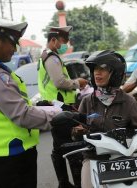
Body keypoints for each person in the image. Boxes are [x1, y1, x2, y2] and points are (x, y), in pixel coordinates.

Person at [0, 15, 62, 188]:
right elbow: (22, 115)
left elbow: (10, 106)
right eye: (12, 43)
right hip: (11, 157)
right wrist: (59, 118)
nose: (14, 49)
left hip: (7, 153)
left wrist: (38, 108)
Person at [72, 50, 137, 188]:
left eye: (102, 69)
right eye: (95, 69)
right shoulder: (87, 101)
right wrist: (77, 131)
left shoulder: (129, 102)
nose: (97, 73)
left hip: (123, 158)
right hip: (93, 157)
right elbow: (76, 131)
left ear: (115, 73)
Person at [37, 26, 88, 188]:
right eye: (63, 41)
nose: (65, 44)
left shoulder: (46, 55)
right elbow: (59, 82)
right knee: (72, 148)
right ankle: (75, 184)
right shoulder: (51, 57)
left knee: (58, 148)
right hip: (60, 107)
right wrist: (77, 83)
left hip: (53, 106)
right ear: (54, 40)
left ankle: (63, 183)